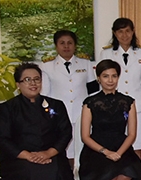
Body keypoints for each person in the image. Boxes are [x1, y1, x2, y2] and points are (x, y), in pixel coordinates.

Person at [0, 63, 75, 180]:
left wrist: (49, 153)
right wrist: (27, 155)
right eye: (27, 80)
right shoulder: (6, 108)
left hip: (50, 155)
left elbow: (65, 132)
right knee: (26, 171)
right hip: (17, 157)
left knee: (51, 170)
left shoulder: (56, 105)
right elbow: (1, 138)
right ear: (18, 84)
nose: (33, 83)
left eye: (37, 79)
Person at [79, 59, 141, 180]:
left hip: (121, 147)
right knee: (110, 168)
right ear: (99, 78)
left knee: (127, 169)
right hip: (96, 148)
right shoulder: (89, 102)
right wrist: (106, 151)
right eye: (105, 76)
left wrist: (119, 152)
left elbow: (132, 134)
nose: (110, 80)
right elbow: (85, 136)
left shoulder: (128, 102)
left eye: (114, 76)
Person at [40, 30, 99, 164]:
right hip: (59, 116)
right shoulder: (46, 67)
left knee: (83, 150)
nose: (66, 46)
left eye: (70, 43)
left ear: (75, 45)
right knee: (63, 151)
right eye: (62, 43)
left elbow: (93, 92)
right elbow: (45, 96)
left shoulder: (85, 64)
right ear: (56, 46)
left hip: (82, 114)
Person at [100, 18, 141, 157]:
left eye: (127, 31)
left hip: (138, 105)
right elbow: (102, 81)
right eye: (120, 32)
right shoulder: (106, 54)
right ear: (114, 33)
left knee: (138, 143)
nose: (124, 35)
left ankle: (140, 172)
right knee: (118, 142)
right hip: (114, 106)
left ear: (133, 32)